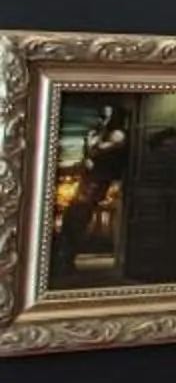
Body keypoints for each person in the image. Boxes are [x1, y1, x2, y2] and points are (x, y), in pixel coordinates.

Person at [55, 104, 132, 276]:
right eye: (102, 116)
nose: (103, 120)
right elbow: (91, 154)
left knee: (79, 215)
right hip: (90, 179)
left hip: (98, 180)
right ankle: (66, 257)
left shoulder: (117, 134)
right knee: (73, 216)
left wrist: (93, 146)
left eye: (107, 117)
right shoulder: (99, 133)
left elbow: (102, 150)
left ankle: (67, 257)